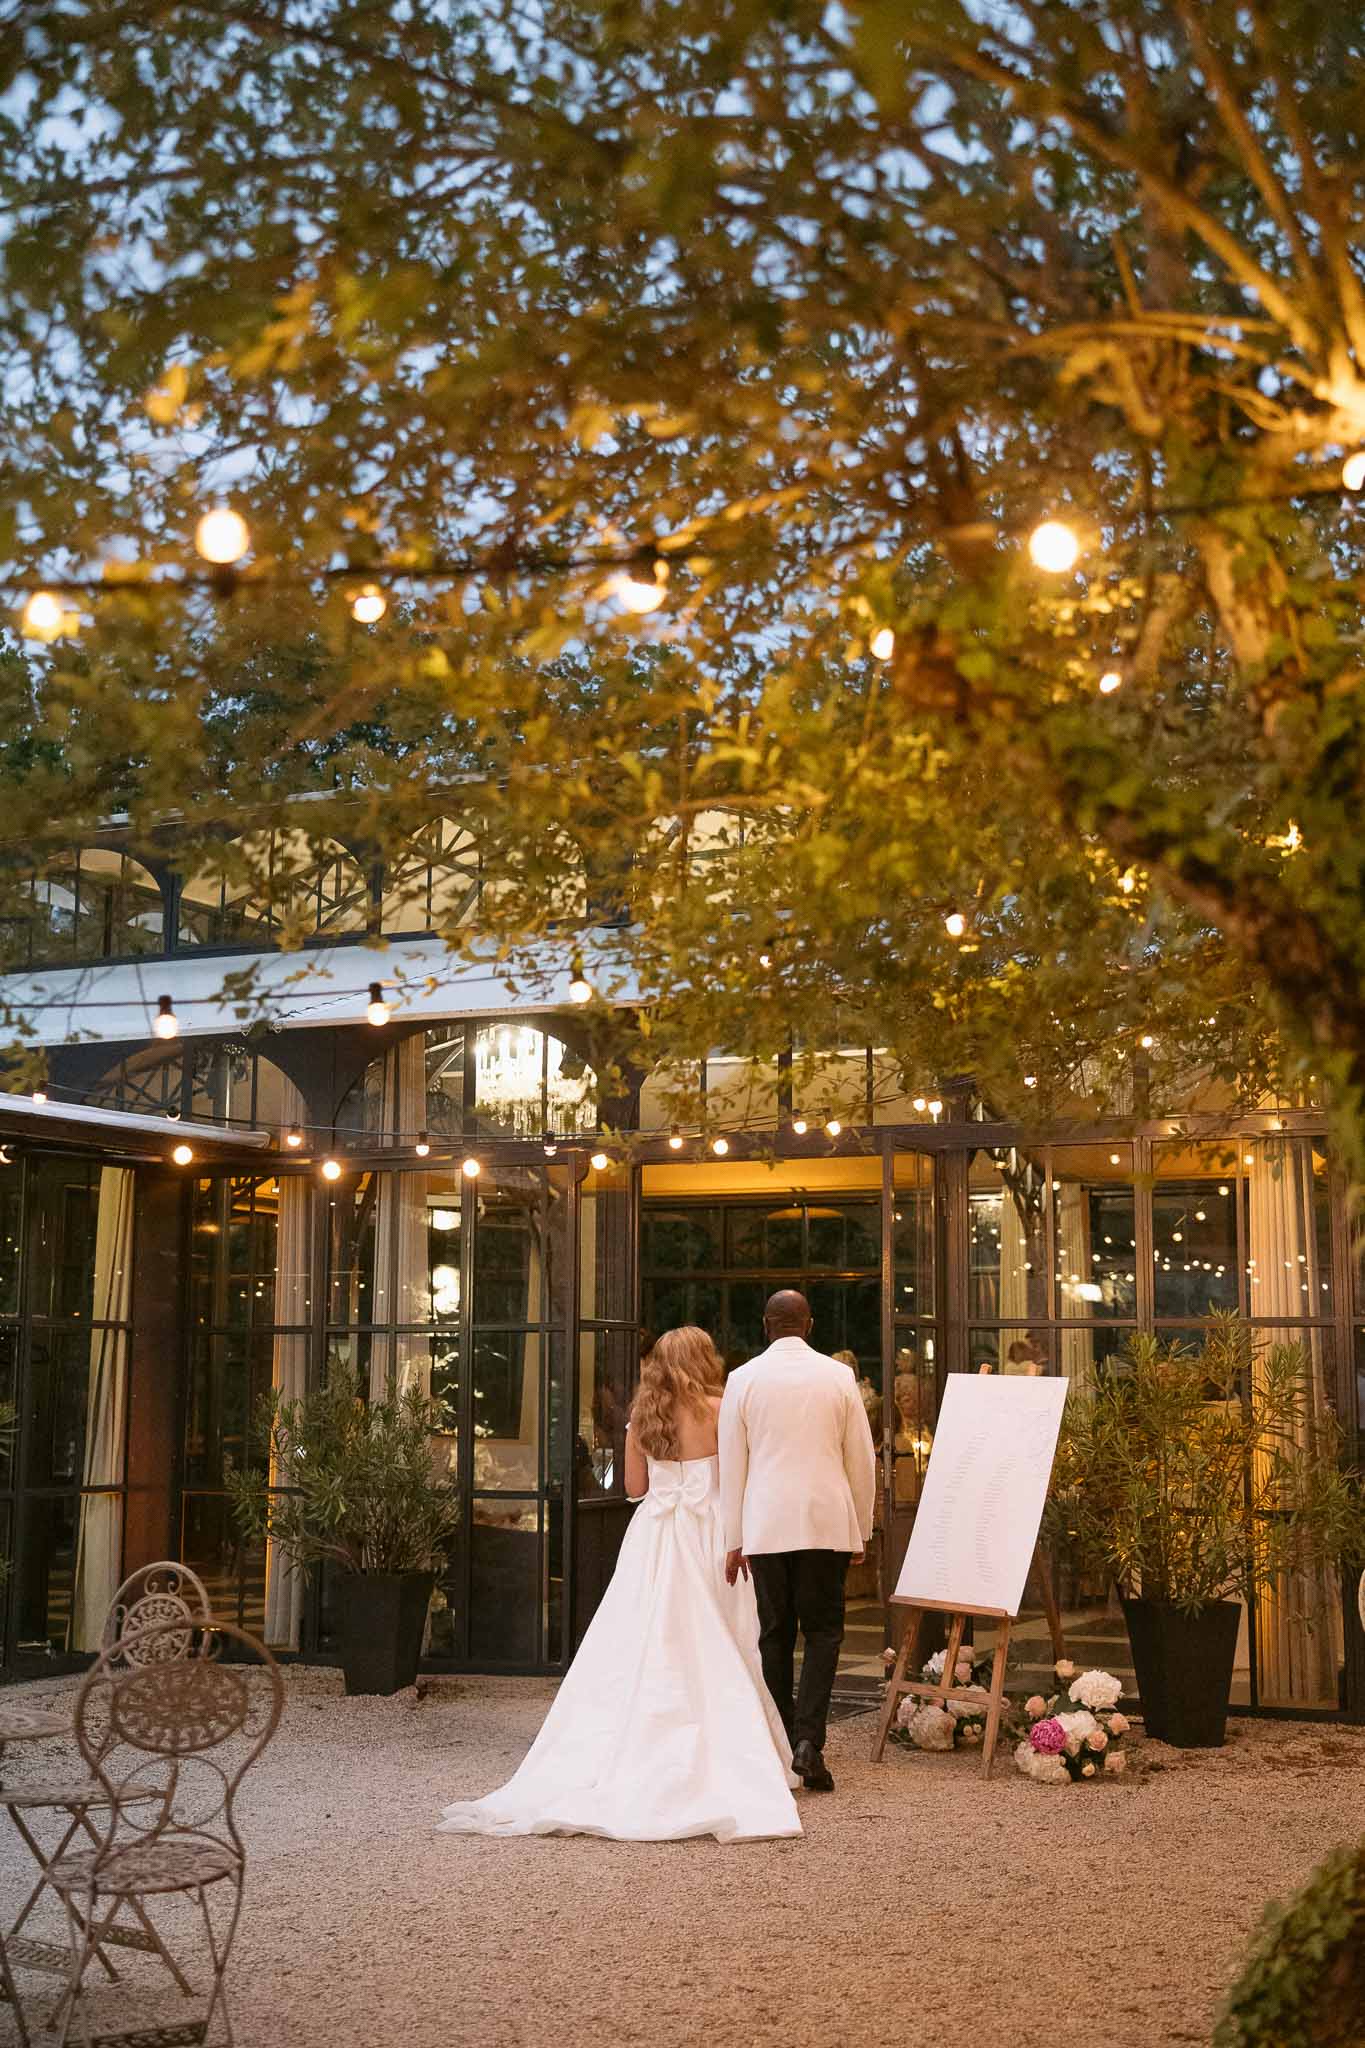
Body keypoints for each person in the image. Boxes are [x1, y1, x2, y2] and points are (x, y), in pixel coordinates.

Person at [437, 1326, 799, 1843]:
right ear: (704, 1360)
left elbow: (634, 1489)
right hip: (711, 1532)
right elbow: (742, 1478)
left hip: (655, 1534)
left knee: (640, 1639)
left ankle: (630, 1740)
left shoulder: (642, 1418)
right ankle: (739, 1751)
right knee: (722, 1639)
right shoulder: (722, 1409)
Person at [719, 1290, 878, 1794]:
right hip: (826, 1520)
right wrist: (862, 1526)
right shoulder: (838, 1377)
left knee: (775, 1634)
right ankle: (809, 1739)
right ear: (808, 1325)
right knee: (825, 1633)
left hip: (766, 1523)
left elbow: (732, 1465)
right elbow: (861, 1458)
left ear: (766, 1326)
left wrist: (733, 1538)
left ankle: (788, 1742)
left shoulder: (741, 1379)